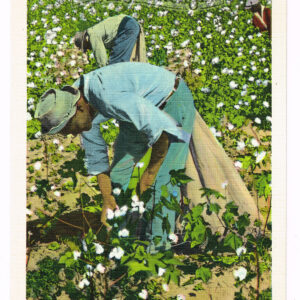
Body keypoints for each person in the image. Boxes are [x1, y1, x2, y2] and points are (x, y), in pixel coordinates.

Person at [35, 62, 260, 249]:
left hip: (171, 102)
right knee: (119, 175)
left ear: (80, 110)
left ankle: (158, 250)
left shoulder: (106, 95)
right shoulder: (75, 98)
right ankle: (123, 236)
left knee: (162, 181)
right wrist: (107, 199)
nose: (70, 134)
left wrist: (149, 175)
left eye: (68, 128)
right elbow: (97, 157)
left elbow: (161, 128)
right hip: (138, 109)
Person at [74, 15, 147, 67]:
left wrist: (104, 72)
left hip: (127, 26)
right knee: (125, 63)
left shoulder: (92, 34)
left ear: (85, 40)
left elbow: (101, 58)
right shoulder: (95, 31)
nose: (89, 49)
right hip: (129, 24)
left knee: (115, 65)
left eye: (86, 47)